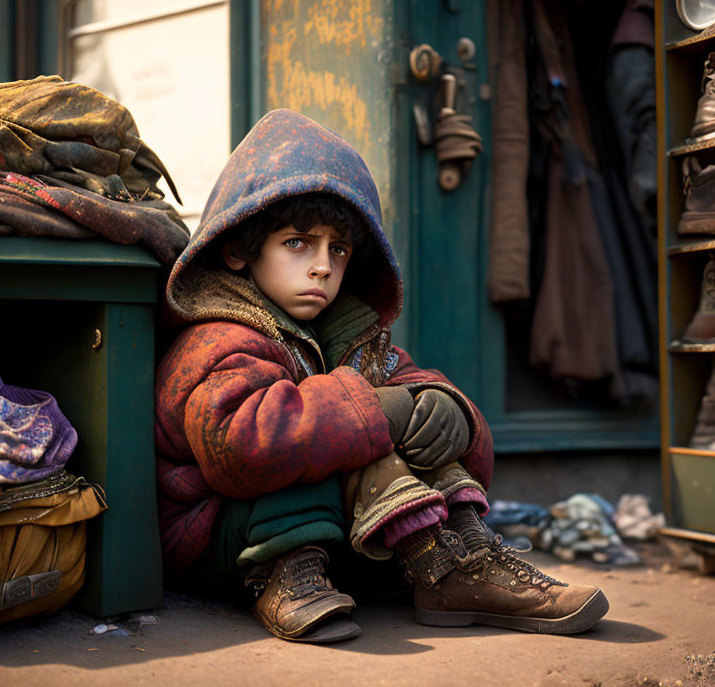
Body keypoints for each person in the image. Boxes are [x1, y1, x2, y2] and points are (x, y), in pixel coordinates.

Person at [154, 109, 608, 643]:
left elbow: (411, 388)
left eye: (338, 250)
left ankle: (465, 560)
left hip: (337, 537)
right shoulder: (216, 339)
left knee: (392, 419)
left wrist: (449, 411)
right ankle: (291, 579)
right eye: (298, 243)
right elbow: (242, 449)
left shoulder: (351, 334)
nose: (322, 266)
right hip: (228, 542)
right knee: (347, 431)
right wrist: (377, 410)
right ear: (237, 251)